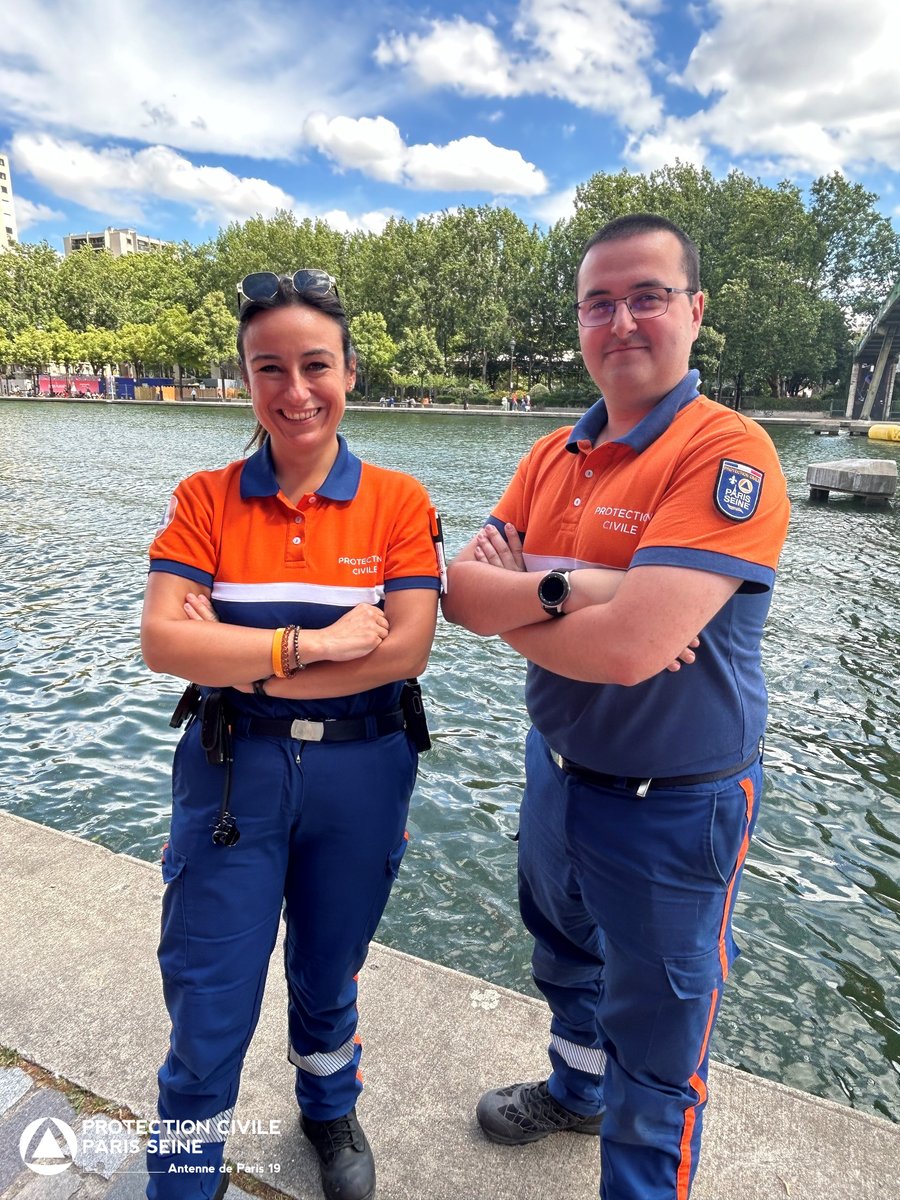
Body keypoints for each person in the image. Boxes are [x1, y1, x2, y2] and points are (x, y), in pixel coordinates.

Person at [442, 214, 789, 1200]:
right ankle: (575, 1092)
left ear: (695, 311)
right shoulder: (552, 454)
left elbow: (633, 649)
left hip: (674, 803)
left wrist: (528, 596)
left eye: (648, 297)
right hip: (557, 771)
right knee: (563, 958)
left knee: (660, 1038)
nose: (621, 321)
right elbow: (456, 593)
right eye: (599, 303)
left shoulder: (726, 454)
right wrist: (583, 588)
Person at [141, 269, 442, 1200]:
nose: (295, 389)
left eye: (316, 364)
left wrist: (234, 655)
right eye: (268, 367)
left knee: (328, 968)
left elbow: (405, 651)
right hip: (234, 770)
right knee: (209, 989)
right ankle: (184, 1175)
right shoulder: (206, 498)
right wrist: (308, 645)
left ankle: (328, 1107)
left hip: (363, 769)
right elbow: (162, 641)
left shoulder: (398, 500)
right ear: (245, 379)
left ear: (349, 372)